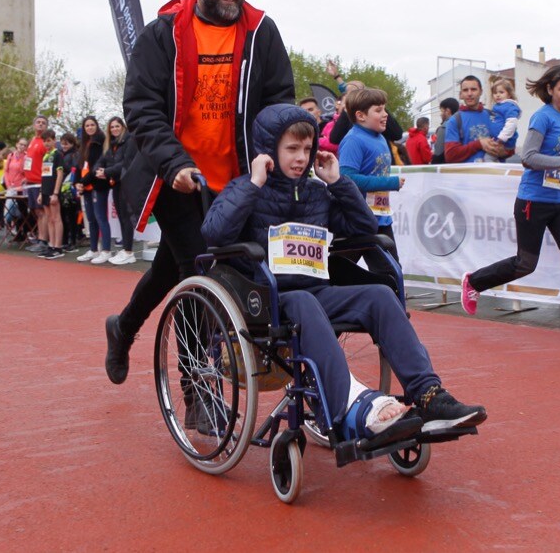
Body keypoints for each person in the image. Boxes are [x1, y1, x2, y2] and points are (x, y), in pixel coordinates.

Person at [203, 103, 487, 437]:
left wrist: (338, 183)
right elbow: (214, 234)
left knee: (380, 295)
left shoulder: (316, 194)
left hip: (317, 291)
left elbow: (364, 226)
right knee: (303, 303)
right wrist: (254, 183)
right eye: (291, 149)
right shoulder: (245, 187)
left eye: (307, 149)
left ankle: (429, 395)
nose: (300, 157)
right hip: (266, 299)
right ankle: (348, 408)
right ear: (268, 151)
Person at [104, 0, 295, 386]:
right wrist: (175, 165)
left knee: (172, 267)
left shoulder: (262, 30)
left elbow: (278, 100)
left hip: (237, 181)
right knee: (200, 274)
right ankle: (196, 390)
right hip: (178, 179)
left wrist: (282, 152)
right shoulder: (162, 33)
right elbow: (142, 108)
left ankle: (123, 326)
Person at [460, 65, 560, 346]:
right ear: (550, 90)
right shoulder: (542, 117)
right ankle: (474, 282)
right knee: (525, 264)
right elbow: (529, 157)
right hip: (533, 201)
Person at [338, 87, 405, 259]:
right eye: (378, 110)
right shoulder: (353, 140)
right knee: (341, 270)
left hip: (381, 216)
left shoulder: (381, 137)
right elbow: (347, 178)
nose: (385, 114)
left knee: (391, 270)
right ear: (361, 116)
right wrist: (389, 183)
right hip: (359, 219)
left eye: (384, 108)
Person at [96, 116, 137, 265]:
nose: (114, 129)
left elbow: (125, 163)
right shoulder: (112, 144)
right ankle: (126, 248)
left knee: (126, 217)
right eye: (112, 127)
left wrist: (106, 172)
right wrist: (98, 171)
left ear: (123, 127)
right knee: (121, 216)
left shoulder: (129, 140)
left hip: (126, 182)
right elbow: (102, 160)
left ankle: (128, 251)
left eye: (117, 126)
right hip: (116, 183)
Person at [444, 76, 510, 163]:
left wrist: (504, 151)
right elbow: (450, 155)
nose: (469, 93)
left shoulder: (494, 116)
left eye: (473, 89)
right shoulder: (454, 120)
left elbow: (510, 148)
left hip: (495, 174)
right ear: (461, 94)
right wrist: (479, 144)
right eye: (465, 90)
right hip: (470, 175)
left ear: (481, 92)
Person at [75, 116, 113, 265]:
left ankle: (106, 250)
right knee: (90, 219)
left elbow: (96, 166)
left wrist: (83, 182)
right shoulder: (85, 144)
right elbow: (81, 166)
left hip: (98, 185)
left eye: (92, 125)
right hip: (86, 187)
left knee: (100, 217)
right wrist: (78, 183)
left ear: (97, 126)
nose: (90, 128)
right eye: (87, 126)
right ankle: (93, 249)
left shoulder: (100, 143)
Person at [36, 129, 66, 260]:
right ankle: (51, 244)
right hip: (46, 191)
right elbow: (44, 176)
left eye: (49, 140)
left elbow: (59, 174)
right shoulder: (45, 156)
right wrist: (41, 193)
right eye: (44, 141)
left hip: (53, 191)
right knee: (49, 219)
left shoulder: (57, 155)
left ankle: (58, 247)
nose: (46, 143)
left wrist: (55, 192)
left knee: (56, 218)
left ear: (54, 140)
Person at [23, 116, 49, 252]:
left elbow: (46, 163)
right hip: (30, 182)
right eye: (38, 122)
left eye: (43, 123)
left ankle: (44, 240)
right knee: (38, 212)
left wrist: (44, 183)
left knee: (43, 212)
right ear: (33, 125)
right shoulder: (32, 141)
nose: (40, 125)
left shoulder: (45, 143)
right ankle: (40, 238)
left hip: (40, 182)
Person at [486, 75, 521, 159]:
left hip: (504, 143)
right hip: (496, 141)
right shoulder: (497, 106)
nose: (497, 95)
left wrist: (501, 138)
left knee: (487, 158)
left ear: (509, 95)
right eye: (495, 93)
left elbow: (511, 124)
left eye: (501, 92)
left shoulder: (509, 106)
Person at [58, 133, 81, 253]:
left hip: (69, 188)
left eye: (66, 143)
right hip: (63, 188)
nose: (64, 146)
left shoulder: (74, 154)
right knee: (64, 215)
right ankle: (66, 240)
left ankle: (72, 241)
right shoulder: (62, 154)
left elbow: (74, 169)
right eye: (62, 143)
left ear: (72, 143)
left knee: (71, 216)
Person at [430, 97, 460, 165]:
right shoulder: (462, 125)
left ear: (447, 111)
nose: (440, 114)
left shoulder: (444, 128)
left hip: (447, 168)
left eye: (441, 111)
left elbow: (438, 153)